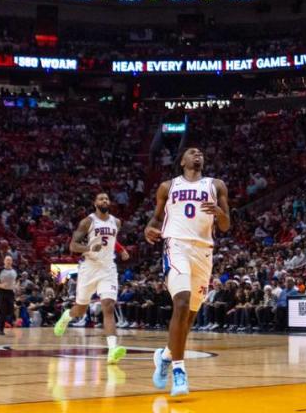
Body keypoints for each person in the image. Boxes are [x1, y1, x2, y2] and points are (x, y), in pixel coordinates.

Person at [146, 147, 229, 397]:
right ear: (182, 161)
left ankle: (165, 356)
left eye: (201, 152)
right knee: (180, 304)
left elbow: (225, 225)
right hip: (176, 246)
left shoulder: (216, 185)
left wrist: (219, 213)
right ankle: (179, 371)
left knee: (189, 318)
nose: (198, 155)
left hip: (204, 252)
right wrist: (148, 230)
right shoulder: (167, 186)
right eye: (192, 152)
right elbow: (155, 220)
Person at [53, 192, 129, 364]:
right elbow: (73, 245)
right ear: (95, 203)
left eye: (107, 199)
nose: (105, 201)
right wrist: (88, 248)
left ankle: (112, 349)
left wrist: (121, 249)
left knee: (108, 306)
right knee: (80, 309)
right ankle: (67, 316)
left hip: (108, 268)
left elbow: (109, 240)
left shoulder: (116, 222)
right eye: (101, 199)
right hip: (89, 268)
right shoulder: (88, 221)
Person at [0, 255, 17, 336]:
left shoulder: (14, 271)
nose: (9, 261)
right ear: (4, 261)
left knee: (11, 309)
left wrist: (16, 286)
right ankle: (1, 329)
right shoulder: (0, 270)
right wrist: (1, 286)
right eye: (7, 260)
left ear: (12, 261)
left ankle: (12, 322)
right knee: (2, 312)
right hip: (1, 292)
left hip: (11, 292)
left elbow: (17, 281)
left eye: (10, 260)